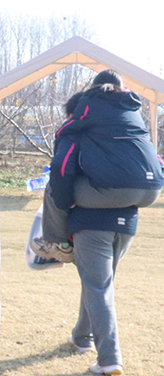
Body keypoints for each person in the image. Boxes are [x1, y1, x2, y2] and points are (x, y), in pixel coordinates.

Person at [35, 72, 162, 375]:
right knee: (98, 283)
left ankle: (109, 358)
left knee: (98, 285)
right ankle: (82, 337)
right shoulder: (131, 119)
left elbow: (61, 171)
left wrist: (65, 211)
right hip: (132, 212)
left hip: (92, 222)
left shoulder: (81, 127)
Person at [31, 70, 161, 268]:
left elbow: (61, 166)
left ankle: (58, 244)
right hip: (152, 190)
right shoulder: (132, 113)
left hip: (112, 196)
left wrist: (65, 201)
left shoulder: (91, 104)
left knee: (54, 187)